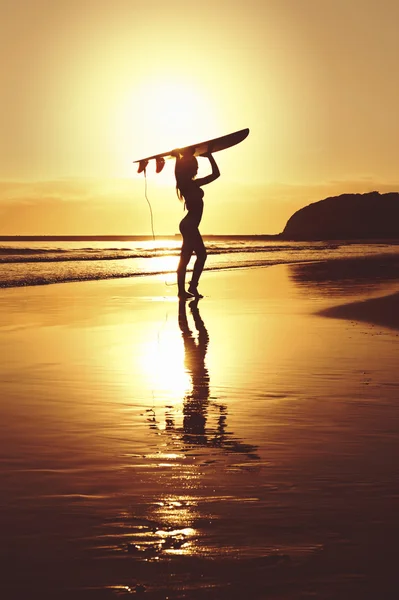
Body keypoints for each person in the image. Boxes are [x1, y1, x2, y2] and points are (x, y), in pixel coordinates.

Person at [175, 149, 220, 299]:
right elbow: (177, 174)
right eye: (195, 167)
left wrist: (210, 156)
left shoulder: (194, 183)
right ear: (189, 169)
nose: (197, 169)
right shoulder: (184, 184)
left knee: (192, 257)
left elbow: (216, 175)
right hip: (189, 225)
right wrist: (177, 158)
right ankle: (188, 288)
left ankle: (188, 288)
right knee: (196, 256)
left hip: (190, 225)